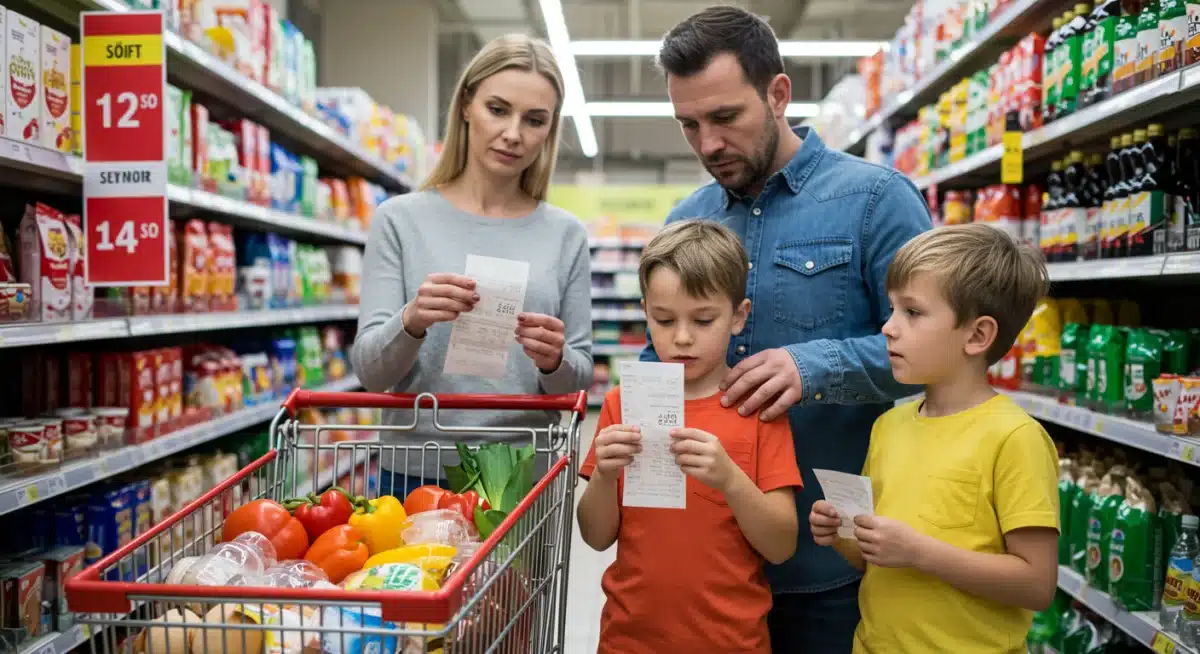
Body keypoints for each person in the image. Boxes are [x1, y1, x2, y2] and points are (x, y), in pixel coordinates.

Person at [646, 5, 933, 649]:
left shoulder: (875, 200)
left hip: (835, 562)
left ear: (778, 93)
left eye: (725, 118)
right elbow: (657, 364)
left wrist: (814, 366)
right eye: (688, 125)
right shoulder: (686, 219)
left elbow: (937, 356)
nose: (708, 144)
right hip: (710, 568)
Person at [351, 34, 593, 499]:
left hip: (523, 473)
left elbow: (578, 379)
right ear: (466, 105)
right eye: (498, 109)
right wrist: (412, 321)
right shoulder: (400, 220)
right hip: (416, 471)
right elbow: (371, 371)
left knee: (522, 579)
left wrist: (554, 360)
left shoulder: (566, 234)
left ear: (549, 130)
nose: (514, 134)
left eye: (534, 120)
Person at [810, 223, 1059, 652]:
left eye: (913, 312)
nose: (888, 328)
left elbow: (1036, 584)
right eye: (891, 310)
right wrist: (843, 535)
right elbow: (876, 561)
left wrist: (920, 552)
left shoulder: (1014, 438)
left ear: (978, 335)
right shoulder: (890, 425)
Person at [577, 220, 803, 652]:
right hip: (629, 639)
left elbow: (781, 545)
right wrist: (605, 477)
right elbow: (595, 536)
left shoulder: (758, 408)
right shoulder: (623, 405)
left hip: (732, 641)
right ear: (646, 313)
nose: (681, 337)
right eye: (664, 320)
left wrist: (729, 478)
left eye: (703, 320)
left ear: (738, 317)